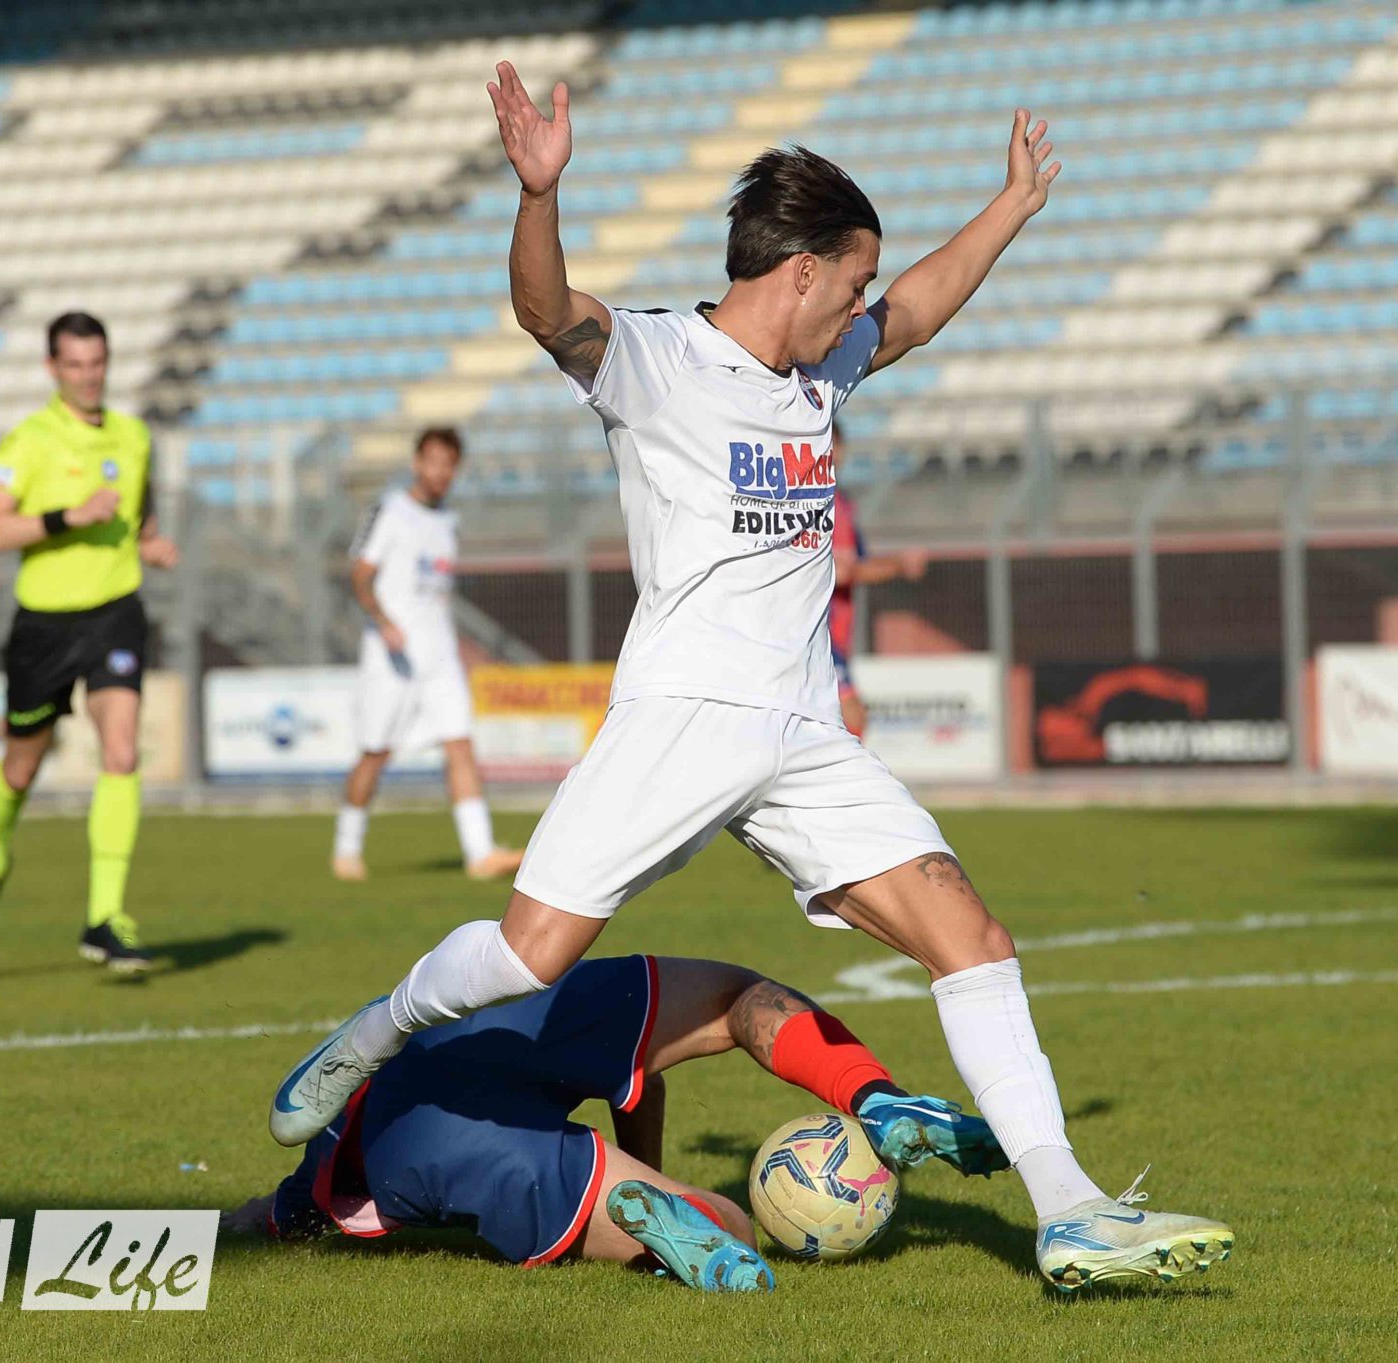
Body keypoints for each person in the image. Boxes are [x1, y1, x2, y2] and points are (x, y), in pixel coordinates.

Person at [271, 62, 1235, 1291]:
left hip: (802, 732)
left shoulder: (819, 372)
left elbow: (920, 310)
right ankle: (373, 1031)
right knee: (525, 959)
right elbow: (546, 310)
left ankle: (1072, 1212)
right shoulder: (659, 361)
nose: (863, 306)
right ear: (801, 273)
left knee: (971, 934)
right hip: (680, 717)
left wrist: (1010, 208)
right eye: (853, 282)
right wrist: (538, 194)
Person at [235, 956, 1002, 1292]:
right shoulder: (463, 996)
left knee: (721, 1225)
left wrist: (239, 1223)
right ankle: (875, 1095)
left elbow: (279, 1213)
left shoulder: (338, 1130)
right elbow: (643, 1084)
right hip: (509, 1017)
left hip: (427, 1141)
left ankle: (660, 1213)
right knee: (739, 998)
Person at [0, 312, 178, 973]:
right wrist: (66, 517)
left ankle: (104, 918)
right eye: (75, 364)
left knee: (121, 749)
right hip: (44, 625)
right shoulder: (28, 441)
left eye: (97, 362)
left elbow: (141, 512)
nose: (88, 376)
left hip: (115, 613)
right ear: (52, 368)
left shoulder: (134, 436)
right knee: (20, 769)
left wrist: (149, 542)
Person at [331, 426, 526, 882]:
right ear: (417, 463)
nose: (440, 472)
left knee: (460, 744)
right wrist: (383, 621)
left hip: (439, 657)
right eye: (433, 461)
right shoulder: (391, 510)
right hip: (392, 657)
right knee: (375, 752)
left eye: (449, 464)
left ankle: (480, 853)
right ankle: (346, 849)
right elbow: (360, 574)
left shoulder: (448, 522)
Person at [828, 423, 927, 737]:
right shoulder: (814, 504)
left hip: (839, 632)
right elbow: (841, 572)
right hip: (818, 632)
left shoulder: (843, 504)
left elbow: (859, 563)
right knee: (852, 715)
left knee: (838, 720)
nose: (832, 453)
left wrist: (894, 564)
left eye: (836, 446)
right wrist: (899, 565)